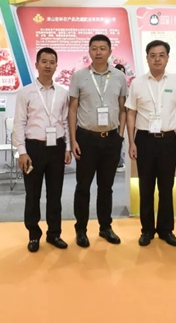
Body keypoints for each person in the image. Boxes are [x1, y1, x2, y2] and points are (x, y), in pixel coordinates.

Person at [126, 40, 176, 247]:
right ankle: (147, 230)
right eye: (152, 55)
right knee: (145, 187)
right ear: (147, 58)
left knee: (166, 186)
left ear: (167, 58)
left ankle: (166, 230)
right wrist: (131, 141)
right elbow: (131, 113)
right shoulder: (137, 83)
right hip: (144, 139)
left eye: (161, 55)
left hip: (168, 140)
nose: (157, 59)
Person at [68, 34, 127, 248]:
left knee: (106, 187)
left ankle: (105, 227)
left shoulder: (119, 77)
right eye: (94, 48)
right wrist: (73, 140)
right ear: (89, 51)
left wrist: (120, 135)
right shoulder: (79, 76)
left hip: (111, 139)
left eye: (103, 48)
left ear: (110, 51)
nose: (98, 52)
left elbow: (123, 108)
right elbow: (72, 109)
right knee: (83, 187)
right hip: (86, 138)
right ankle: (81, 229)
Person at [13, 47, 72, 253]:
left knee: (55, 194)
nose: (48, 65)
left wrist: (68, 148)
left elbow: (66, 121)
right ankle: (33, 235)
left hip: (57, 147)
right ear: (36, 64)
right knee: (33, 195)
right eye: (44, 61)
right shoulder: (25, 92)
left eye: (52, 62)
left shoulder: (63, 93)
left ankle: (54, 233)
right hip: (33, 149)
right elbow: (19, 123)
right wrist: (22, 151)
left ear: (56, 66)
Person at [114, 63, 127, 173]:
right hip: (113, 118)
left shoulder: (125, 86)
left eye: (123, 72)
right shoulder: (112, 84)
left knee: (120, 140)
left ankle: (120, 162)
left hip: (122, 118)